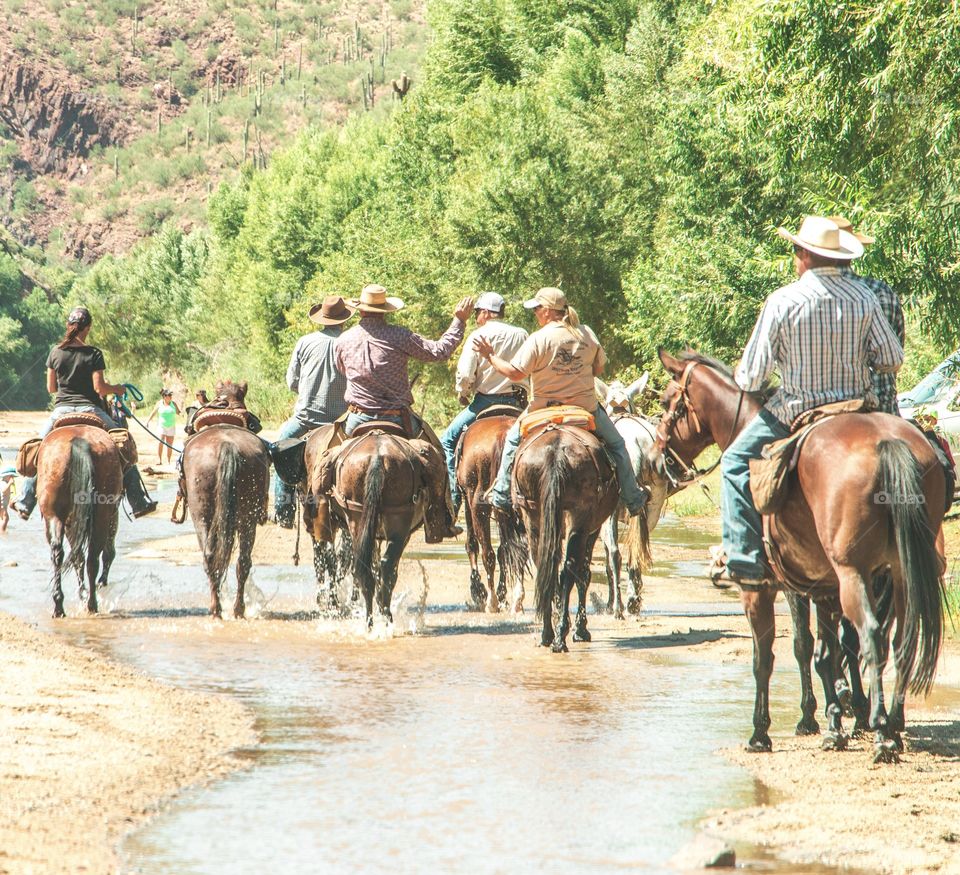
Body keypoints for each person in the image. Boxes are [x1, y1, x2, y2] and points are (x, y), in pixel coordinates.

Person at [716, 216, 903, 586]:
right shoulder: (865, 297)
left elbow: (751, 377)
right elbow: (892, 358)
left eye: (796, 250)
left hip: (796, 410)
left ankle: (744, 558)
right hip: (857, 408)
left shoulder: (783, 300)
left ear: (804, 254)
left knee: (733, 462)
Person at [476, 287, 650, 516]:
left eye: (537, 308)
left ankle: (500, 493)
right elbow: (598, 369)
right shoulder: (586, 333)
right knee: (617, 446)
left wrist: (490, 355)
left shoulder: (538, 338)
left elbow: (515, 373)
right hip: (584, 408)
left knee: (511, 441)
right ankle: (633, 498)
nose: (536, 313)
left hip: (541, 409)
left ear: (548, 311)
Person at [333, 284, 474, 540]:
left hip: (357, 417)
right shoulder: (400, 336)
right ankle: (439, 519)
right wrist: (459, 321)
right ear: (384, 311)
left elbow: (342, 369)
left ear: (361, 311)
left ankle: (322, 513)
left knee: (325, 460)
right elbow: (439, 352)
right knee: (437, 460)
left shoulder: (343, 340)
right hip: (398, 418)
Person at [12, 307, 158, 520]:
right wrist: (117, 388)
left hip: (61, 412)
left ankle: (25, 501)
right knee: (123, 446)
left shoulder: (55, 352)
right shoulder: (93, 353)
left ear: (68, 326)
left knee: (39, 452)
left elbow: (51, 388)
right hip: (92, 410)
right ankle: (137, 500)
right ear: (87, 328)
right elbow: (99, 389)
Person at [440, 292, 529, 512]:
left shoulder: (478, 335)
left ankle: (453, 499)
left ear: (487, 313)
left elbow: (465, 373)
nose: (477, 317)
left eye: (478, 313)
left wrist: (463, 392)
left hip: (484, 402)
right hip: (518, 403)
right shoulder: (522, 334)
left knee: (447, 441)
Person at [273, 295, 356, 528]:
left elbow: (292, 381)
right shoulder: (350, 342)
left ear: (322, 319)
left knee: (279, 449)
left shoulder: (305, 341)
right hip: (343, 421)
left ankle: (283, 510)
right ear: (344, 320)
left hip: (306, 419)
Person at [828, 216, 905, 415]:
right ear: (852, 254)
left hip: (833, 404)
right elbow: (894, 355)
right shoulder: (881, 291)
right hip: (884, 402)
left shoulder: (813, 296)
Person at [146, 389, 180, 464]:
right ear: (164, 397)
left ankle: (168, 460)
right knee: (160, 442)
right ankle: (159, 460)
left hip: (171, 426)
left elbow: (178, 412)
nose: (170, 397)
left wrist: (182, 413)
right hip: (162, 426)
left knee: (169, 445)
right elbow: (153, 413)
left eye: (171, 395)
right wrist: (147, 421)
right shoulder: (159, 403)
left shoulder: (173, 403)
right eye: (169, 395)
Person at [0, 466, 15, 532]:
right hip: (2, 504)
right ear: (6, 476)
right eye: (11, 476)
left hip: (3, 504)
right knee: (6, 518)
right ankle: (2, 531)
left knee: (4, 517)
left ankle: (2, 529)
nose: (13, 478)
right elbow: (3, 491)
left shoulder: (4, 483)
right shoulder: (4, 483)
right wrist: (9, 483)